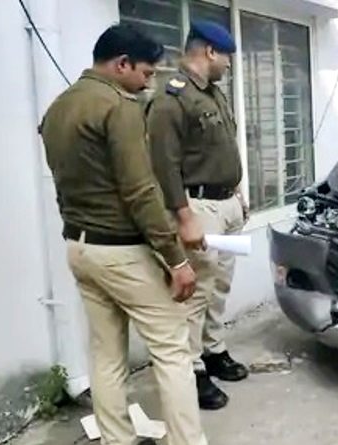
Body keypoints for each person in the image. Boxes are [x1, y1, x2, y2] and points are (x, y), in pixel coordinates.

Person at [40, 24, 207, 445]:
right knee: (172, 347)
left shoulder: (59, 106)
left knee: (106, 353)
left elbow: (62, 181)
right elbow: (140, 190)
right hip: (120, 250)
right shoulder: (118, 106)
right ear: (122, 64)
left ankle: (117, 439)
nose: (148, 83)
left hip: (79, 246)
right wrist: (176, 259)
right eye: (146, 73)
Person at [146, 20, 249, 411]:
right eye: (226, 56)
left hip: (226, 204)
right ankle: (192, 369)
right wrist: (183, 215)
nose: (229, 64)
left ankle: (213, 349)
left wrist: (237, 192)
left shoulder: (213, 93)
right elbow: (164, 164)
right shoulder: (172, 98)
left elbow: (221, 148)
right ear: (209, 51)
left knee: (219, 284)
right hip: (198, 207)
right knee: (196, 292)